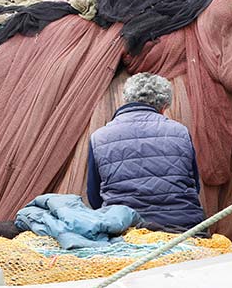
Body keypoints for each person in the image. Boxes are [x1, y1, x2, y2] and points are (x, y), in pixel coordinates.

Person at [87, 73, 204, 233]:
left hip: (125, 230)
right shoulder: (180, 132)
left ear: (126, 99)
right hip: (184, 228)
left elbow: (94, 197)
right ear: (163, 106)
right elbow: (194, 185)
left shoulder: (99, 137)